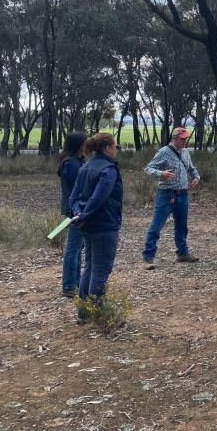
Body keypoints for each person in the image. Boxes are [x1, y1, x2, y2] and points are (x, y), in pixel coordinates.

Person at [68, 133, 123, 323]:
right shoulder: (108, 169)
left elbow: (73, 197)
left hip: (86, 225)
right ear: (107, 149)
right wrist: (83, 215)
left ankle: (83, 313)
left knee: (89, 267)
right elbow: (98, 198)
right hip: (104, 225)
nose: (116, 149)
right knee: (101, 270)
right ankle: (98, 314)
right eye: (115, 146)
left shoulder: (85, 166)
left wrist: (78, 214)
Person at [141, 127, 201, 268]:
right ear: (174, 138)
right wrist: (161, 174)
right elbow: (148, 168)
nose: (185, 141)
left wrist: (196, 177)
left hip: (182, 194)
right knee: (156, 226)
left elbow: (191, 168)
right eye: (182, 139)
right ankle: (148, 257)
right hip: (166, 194)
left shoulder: (186, 152)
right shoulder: (163, 152)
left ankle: (183, 253)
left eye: (186, 138)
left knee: (182, 226)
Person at [58, 131, 87, 298]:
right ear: (78, 145)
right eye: (85, 142)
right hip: (75, 210)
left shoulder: (76, 161)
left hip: (76, 208)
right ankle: (69, 284)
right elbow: (82, 186)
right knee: (73, 247)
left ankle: (74, 283)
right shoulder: (71, 164)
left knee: (77, 247)